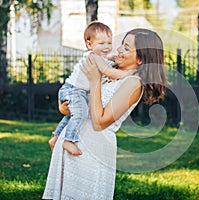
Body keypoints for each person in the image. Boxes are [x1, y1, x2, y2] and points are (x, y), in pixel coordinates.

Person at [43, 28, 167, 200]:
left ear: (140, 59)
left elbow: (100, 122)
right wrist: (65, 106)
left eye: (126, 48)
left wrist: (95, 81)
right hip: (71, 141)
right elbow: (68, 105)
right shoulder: (109, 69)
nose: (119, 50)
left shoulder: (133, 83)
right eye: (122, 45)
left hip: (92, 148)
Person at [49, 21, 134, 156]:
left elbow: (109, 61)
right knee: (81, 113)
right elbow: (108, 71)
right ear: (89, 44)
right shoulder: (92, 57)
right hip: (73, 90)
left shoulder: (100, 57)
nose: (106, 47)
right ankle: (69, 141)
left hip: (75, 90)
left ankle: (55, 137)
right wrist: (127, 74)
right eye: (101, 44)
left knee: (73, 115)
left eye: (109, 43)